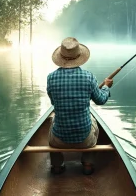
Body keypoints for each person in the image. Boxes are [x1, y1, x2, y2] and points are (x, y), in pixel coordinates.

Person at [46, 37, 113, 175]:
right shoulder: (89, 77)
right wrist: (106, 87)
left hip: (59, 140)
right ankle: (88, 164)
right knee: (93, 120)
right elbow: (100, 100)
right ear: (79, 56)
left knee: (53, 121)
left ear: (61, 56)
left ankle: (57, 166)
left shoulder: (51, 78)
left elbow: (54, 103)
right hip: (85, 140)